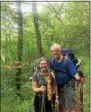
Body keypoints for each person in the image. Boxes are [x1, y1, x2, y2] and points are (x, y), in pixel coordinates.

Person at [50, 43, 83, 112]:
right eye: (53, 51)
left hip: (68, 84)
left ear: (60, 51)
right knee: (60, 105)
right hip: (57, 86)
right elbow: (50, 72)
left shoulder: (67, 60)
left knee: (70, 106)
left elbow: (73, 73)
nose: (54, 52)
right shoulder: (52, 61)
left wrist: (79, 78)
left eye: (56, 50)